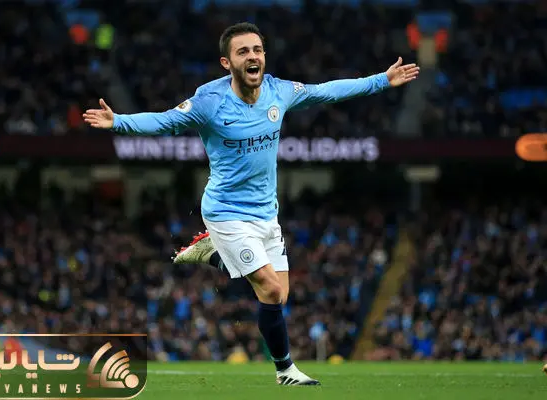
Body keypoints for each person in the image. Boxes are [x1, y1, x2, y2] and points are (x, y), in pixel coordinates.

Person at [84, 22, 419, 385]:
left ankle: (214, 255)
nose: (252, 56)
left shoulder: (278, 91)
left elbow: (326, 91)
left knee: (279, 296)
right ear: (226, 63)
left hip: (266, 213)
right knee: (270, 289)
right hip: (225, 212)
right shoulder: (209, 101)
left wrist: (381, 80)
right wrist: (118, 122)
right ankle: (285, 370)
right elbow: (165, 120)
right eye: (243, 51)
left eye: (257, 50)